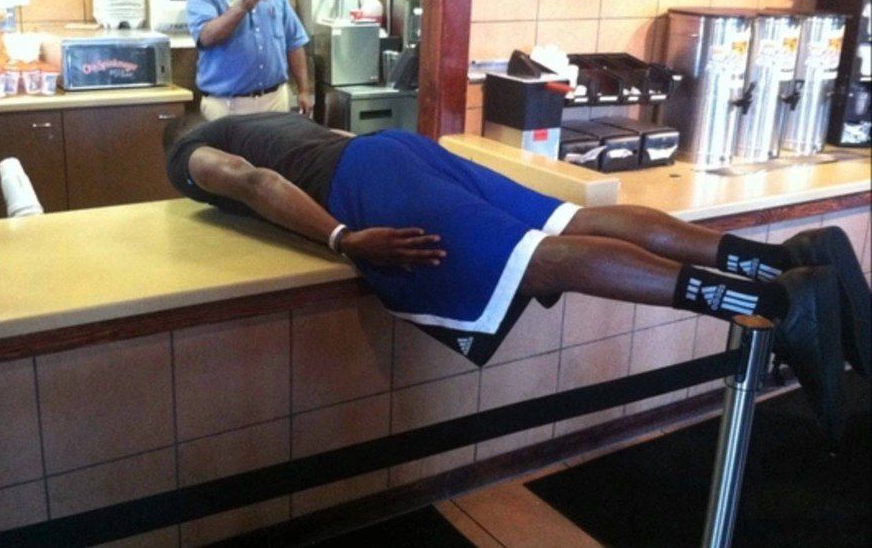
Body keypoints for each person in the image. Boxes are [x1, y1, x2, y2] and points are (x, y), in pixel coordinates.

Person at [163, 112, 870, 441]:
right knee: (575, 222)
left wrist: (341, 236)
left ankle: (774, 301)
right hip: (401, 149)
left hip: (365, 178)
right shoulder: (255, 117)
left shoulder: (188, 152)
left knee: (539, 260)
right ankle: (780, 258)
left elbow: (248, 180)